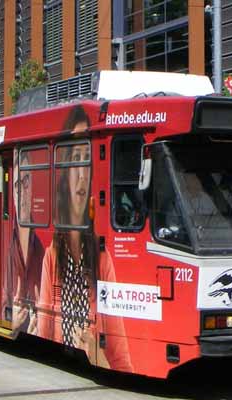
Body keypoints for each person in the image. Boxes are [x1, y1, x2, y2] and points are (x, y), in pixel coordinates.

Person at [36, 105, 133, 372]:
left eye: (87, 161)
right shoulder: (52, 256)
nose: (81, 174)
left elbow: (123, 361)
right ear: (64, 173)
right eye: (74, 160)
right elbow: (40, 335)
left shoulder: (103, 259)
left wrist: (96, 354)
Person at [8, 149, 45, 336]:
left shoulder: (41, 251)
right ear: (13, 194)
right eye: (16, 185)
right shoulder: (6, 245)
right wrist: (12, 325)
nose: (22, 191)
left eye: (26, 181)